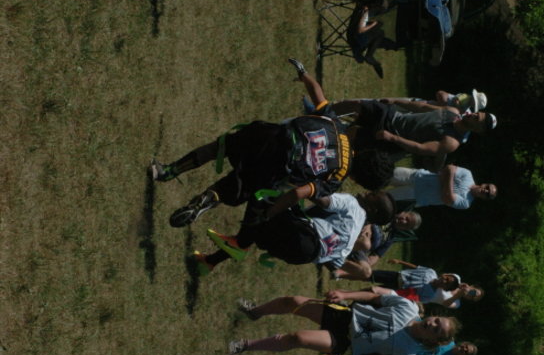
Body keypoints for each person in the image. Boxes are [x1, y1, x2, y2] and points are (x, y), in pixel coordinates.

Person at [149, 58, 394, 228]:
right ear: (360, 180)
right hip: (275, 169)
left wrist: (303, 73)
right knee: (232, 188)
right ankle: (205, 200)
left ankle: (167, 171)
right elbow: (299, 192)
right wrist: (268, 213)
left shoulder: (337, 127)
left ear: (367, 152)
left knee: (218, 148)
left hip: (271, 137)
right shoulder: (335, 179)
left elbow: (319, 96)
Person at [229, 290, 461, 355]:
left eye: (436, 330)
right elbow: (374, 297)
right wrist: (345, 295)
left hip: (345, 342)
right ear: (433, 315)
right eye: (436, 321)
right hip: (345, 316)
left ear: (433, 341)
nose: (432, 324)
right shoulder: (408, 307)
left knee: (297, 338)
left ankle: (244, 345)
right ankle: (254, 312)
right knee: (294, 301)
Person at [192, 191, 395, 276]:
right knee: (258, 229)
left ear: (373, 208)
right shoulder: (353, 233)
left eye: (372, 195)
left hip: (304, 237)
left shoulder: (352, 204)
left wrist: (310, 186)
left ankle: (239, 245)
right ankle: (209, 262)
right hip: (302, 256)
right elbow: (335, 262)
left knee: (264, 199)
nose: (366, 192)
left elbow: (323, 200)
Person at [331, 98, 497, 168]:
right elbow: (422, 107)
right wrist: (396, 101)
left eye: (477, 118)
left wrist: (393, 137)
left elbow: (420, 148)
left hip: (392, 139)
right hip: (393, 116)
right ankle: (325, 111)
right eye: (477, 113)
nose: (474, 114)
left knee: (352, 136)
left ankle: (326, 136)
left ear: (478, 129)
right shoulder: (452, 111)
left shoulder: (451, 142)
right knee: (358, 105)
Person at [339, 258, 484, 310]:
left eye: (472, 296)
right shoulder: (454, 279)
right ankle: (341, 274)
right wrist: (400, 262)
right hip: (400, 277)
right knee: (369, 276)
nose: (469, 293)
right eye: (473, 291)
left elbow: (446, 303)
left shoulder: (456, 302)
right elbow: (442, 276)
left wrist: (458, 293)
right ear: (472, 286)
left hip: (405, 291)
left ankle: (347, 296)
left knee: (373, 291)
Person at [333, 210, 422, 280]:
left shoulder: (391, 238)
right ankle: (333, 252)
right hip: (358, 229)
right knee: (365, 244)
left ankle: (334, 262)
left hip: (360, 249)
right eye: (406, 218)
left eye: (407, 224)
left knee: (366, 273)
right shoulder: (387, 213)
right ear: (403, 212)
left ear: (404, 229)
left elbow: (377, 255)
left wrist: (368, 262)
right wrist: (369, 225)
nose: (404, 221)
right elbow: (368, 213)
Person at [388, 164, 497, 210]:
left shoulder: (466, 203)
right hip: (418, 176)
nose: (485, 191)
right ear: (484, 183)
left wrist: (447, 178)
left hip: (415, 196)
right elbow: (448, 168)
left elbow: (447, 199)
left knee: (386, 199)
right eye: (487, 187)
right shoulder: (468, 174)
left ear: (484, 199)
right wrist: (447, 190)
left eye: (488, 194)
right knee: (385, 175)